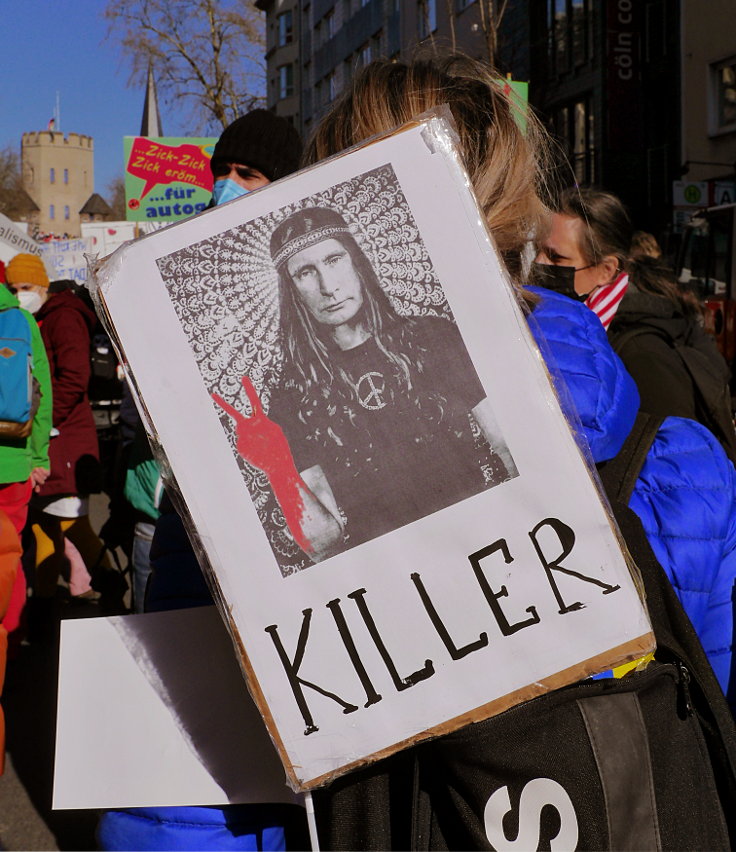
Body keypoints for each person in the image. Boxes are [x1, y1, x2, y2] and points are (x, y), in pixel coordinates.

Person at [98, 108, 310, 852]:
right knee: (189, 725)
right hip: (171, 525)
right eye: (222, 171)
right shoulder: (164, 279)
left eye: (249, 175)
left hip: (277, 536)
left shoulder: (299, 291)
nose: (228, 186)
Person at [213, 206, 515, 562]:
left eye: (334, 260)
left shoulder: (435, 338)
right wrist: (278, 468)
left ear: (357, 263)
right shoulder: (292, 393)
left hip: (484, 540)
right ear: (291, 291)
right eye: (305, 273)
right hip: (389, 566)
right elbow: (322, 546)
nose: (328, 287)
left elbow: (508, 449)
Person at [537, 187, 736, 461]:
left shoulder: (642, 353)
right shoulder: (578, 326)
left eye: (556, 257)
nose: (539, 263)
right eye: (539, 251)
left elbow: (677, 465)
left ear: (606, 270)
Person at [27, 279, 122, 634]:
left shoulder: (63, 315)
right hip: (55, 438)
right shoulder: (50, 316)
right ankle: (43, 613)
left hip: (63, 439)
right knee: (44, 526)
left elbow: (73, 378)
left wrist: (41, 421)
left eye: (25, 284)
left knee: (71, 524)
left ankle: (113, 589)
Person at [1, 253, 52, 648]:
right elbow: (41, 395)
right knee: (8, 556)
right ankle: (11, 639)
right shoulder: (20, 320)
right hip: (12, 460)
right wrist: (38, 458)